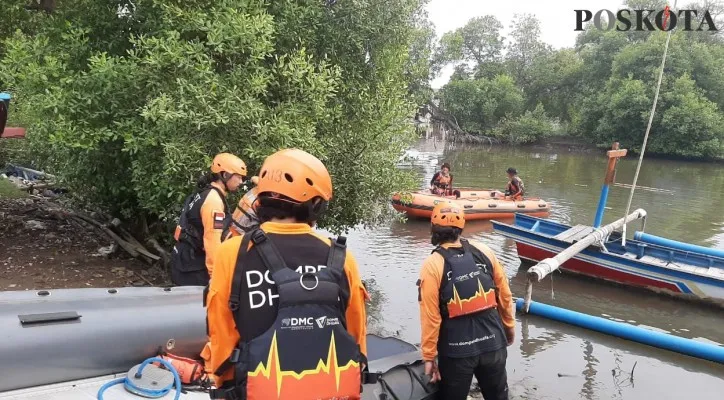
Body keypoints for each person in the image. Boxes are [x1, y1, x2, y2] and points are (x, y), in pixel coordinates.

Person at [203, 148, 368, 400]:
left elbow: (221, 334)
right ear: (315, 203)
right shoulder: (342, 258)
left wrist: (225, 384)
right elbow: (355, 334)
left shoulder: (232, 253)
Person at [417, 202, 515, 400]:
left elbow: (430, 316)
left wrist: (429, 356)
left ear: (433, 228)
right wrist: (509, 327)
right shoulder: (484, 251)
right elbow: (504, 296)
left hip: (456, 351)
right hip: (493, 343)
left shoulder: (432, 264)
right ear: (461, 226)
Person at [171, 153, 247, 286]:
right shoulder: (214, 201)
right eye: (239, 177)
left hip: (184, 259)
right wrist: (215, 276)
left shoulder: (205, 192)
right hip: (192, 267)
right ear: (225, 175)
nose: (241, 182)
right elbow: (212, 241)